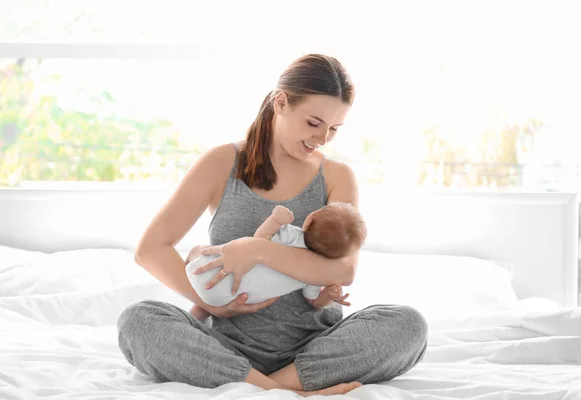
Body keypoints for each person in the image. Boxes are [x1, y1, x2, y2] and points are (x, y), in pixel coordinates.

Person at [117, 53, 428, 397]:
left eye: (334, 129)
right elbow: (150, 250)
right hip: (227, 346)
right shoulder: (222, 163)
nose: (323, 138)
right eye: (314, 123)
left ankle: (270, 388)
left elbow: (343, 270)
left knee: (408, 325)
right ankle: (292, 392)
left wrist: (258, 249)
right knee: (138, 320)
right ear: (281, 103)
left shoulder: (337, 177)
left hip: (315, 348)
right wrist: (214, 305)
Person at [184, 203, 366, 320]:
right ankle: (200, 311)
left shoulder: (291, 235)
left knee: (198, 251)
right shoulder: (316, 275)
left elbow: (257, 242)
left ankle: (197, 307)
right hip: (225, 299)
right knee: (223, 289)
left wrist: (275, 220)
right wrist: (328, 295)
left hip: (208, 271)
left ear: (309, 220)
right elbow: (314, 301)